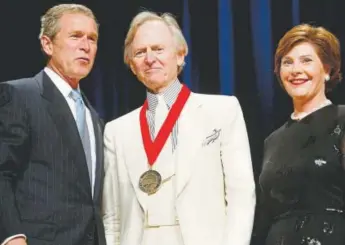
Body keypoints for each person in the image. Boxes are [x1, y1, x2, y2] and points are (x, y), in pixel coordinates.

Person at [102, 11, 256, 245]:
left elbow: (241, 195)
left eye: (158, 48)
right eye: (140, 52)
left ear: (180, 55)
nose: (149, 58)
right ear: (132, 66)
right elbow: (112, 217)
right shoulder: (116, 132)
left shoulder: (223, 110)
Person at [0, 4, 105, 245]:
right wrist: (11, 236)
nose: (86, 46)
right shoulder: (19, 95)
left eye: (92, 38)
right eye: (76, 36)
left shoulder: (95, 118)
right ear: (47, 44)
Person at [258, 24, 345, 245]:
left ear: (327, 69)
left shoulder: (342, 120)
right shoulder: (272, 140)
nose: (295, 69)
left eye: (306, 60)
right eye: (288, 62)